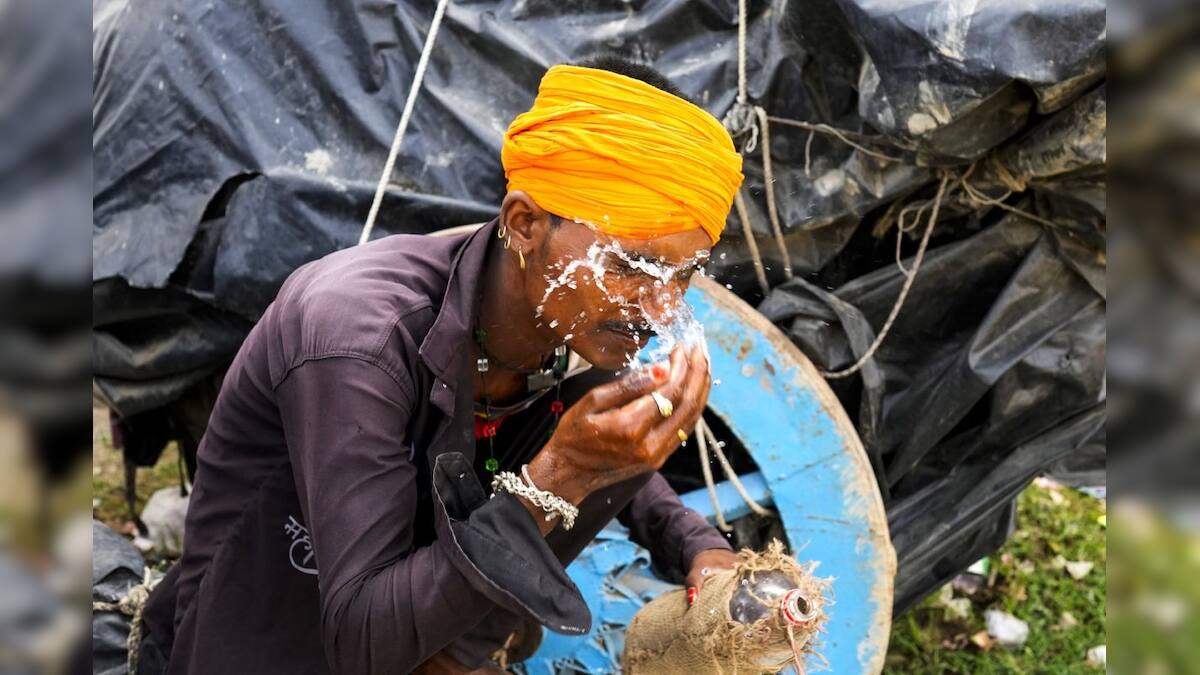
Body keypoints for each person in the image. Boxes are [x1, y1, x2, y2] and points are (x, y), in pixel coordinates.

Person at [139, 56, 746, 674]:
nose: (661, 306)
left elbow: (607, 456)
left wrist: (696, 545)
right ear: (526, 222)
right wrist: (560, 475)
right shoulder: (358, 337)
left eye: (685, 273)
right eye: (631, 267)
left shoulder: (571, 320)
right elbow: (363, 643)